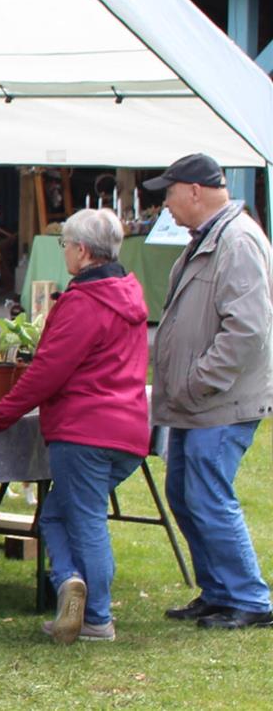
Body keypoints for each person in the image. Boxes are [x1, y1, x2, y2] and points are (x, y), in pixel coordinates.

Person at [0, 209, 150, 643]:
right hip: (128, 430)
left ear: (82, 251)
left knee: (82, 519)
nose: (64, 251)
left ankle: (96, 616)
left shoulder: (84, 303)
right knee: (56, 514)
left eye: (65, 244)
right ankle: (72, 586)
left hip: (84, 431)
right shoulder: (128, 292)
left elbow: (48, 371)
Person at [145, 153, 273, 630]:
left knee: (208, 495)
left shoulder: (236, 241)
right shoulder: (213, 238)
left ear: (194, 191)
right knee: (184, 493)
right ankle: (218, 591)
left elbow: (247, 329)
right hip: (199, 401)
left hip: (220, 401)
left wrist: (200, 381)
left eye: (169, 194)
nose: (167, 207)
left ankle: (250, 599)